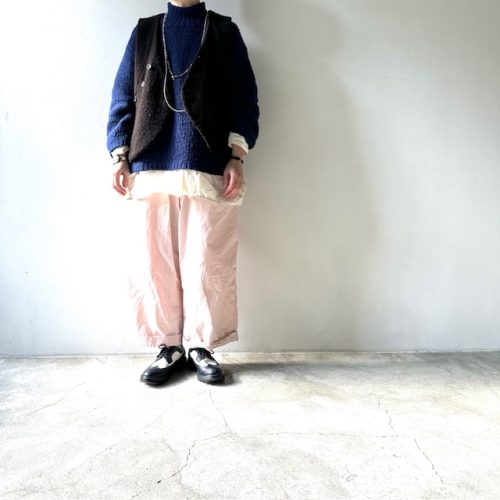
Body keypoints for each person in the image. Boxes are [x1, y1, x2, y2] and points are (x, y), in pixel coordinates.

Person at [106, 0, 259, 385]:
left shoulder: (224, 32)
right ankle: (168, 345)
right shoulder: (145, 32)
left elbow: (244, 98)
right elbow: (123, 96)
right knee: (152, 259)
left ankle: (201, 346)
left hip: (207, 162)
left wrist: (237, 155)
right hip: (149, 163)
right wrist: (119, 155)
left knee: (207, 258)